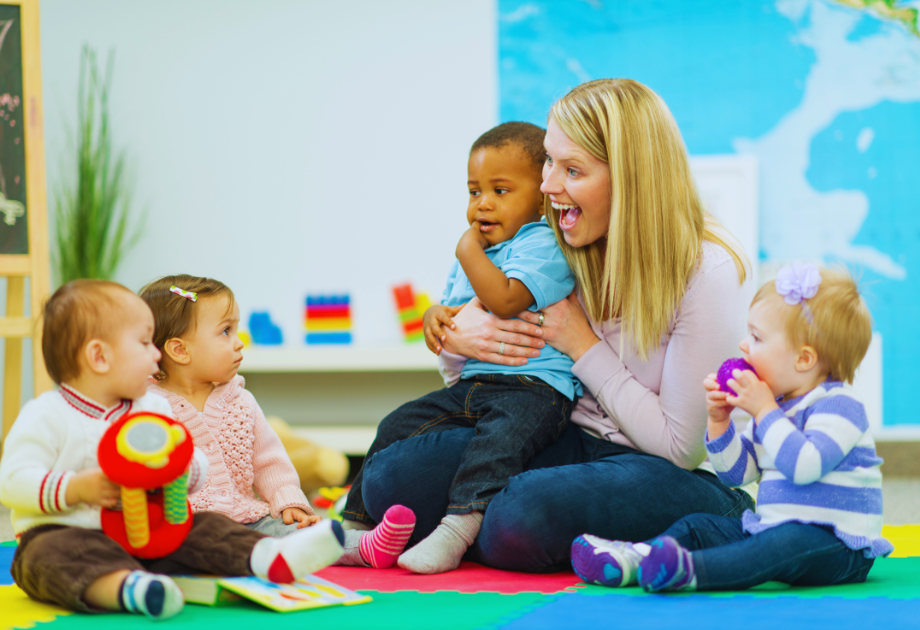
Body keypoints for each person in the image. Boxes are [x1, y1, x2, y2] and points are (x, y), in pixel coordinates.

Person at [350, 78, 756, 573]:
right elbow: (480, 388)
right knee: (391, 478)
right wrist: (460, 338)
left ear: (630, 177)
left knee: (518, 515)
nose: (546, 186)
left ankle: (725, 513)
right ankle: (515, 534)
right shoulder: (558, 245)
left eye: (572, 169)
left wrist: (582, 343)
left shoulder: (706, 273)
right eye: (548, 160)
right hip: (557, 436)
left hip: (652, 463)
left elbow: (679, 446)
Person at [0, 280, 344, 619]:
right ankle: (129, 589)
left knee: (203, 526)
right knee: (45, 556)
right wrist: (75, 489)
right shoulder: (47, 414)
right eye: (145, 343)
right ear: (99, 357)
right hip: (70, 533)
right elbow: (12, 480)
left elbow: (189, 459)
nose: (156, 353)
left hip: (147, 533)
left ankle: (268, 556)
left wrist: (182, 470)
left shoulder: (150, 408)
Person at [342, 122, 581, 574]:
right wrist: (436, 316)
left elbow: (506, 299)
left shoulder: (544, 243)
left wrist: (466, 248)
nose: (483, 203)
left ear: (542, 194)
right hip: (473, 383)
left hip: (533, 389)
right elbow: (455, 315)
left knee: (494, 447)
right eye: (474, 191)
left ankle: (456, 531)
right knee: (398, 422)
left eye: (501, 190)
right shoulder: (478, 249)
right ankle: (354, 527)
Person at [571, 263, 892, 592]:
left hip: (838, 544)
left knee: (784, 542)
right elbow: (737, 475)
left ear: (804, 359)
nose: (743, 345)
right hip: (772, 530)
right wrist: (720, 421)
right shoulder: (775, 408)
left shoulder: (839, 405)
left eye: (757, 337)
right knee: (699, 526)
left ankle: (690, 572)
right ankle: (637, 559)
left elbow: (803, 466)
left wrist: (764, 410)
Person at [141, 275, 415, 568]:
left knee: (297, 531)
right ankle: (265, 560)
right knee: (191, 546)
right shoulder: (147, 408)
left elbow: (269, 461)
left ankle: (362, 546)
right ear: (180, 350)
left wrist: (289, 501)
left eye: (236, 329)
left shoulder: (241, 401)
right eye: (225, 332)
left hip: (248, 519)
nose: (239, 342)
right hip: (185, 527)